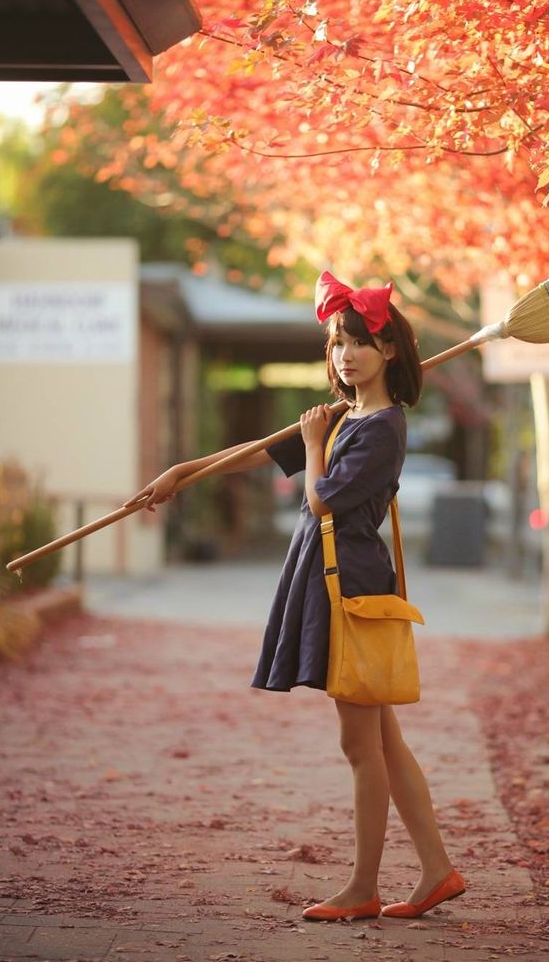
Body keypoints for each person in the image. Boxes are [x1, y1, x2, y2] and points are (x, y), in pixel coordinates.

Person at [124, 271, 466, 922]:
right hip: (333, 578)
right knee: (383, 742)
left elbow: (322, 499)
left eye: (359, 342)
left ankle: (364, 886)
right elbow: (259, 453)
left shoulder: (381, 428)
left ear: (389, 351)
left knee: (361, 746)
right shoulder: (347, 415)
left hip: (353, 585)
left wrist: (314, 445)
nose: (345, 355)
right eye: (337, 343)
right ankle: (436, 871)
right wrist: (182, 474)